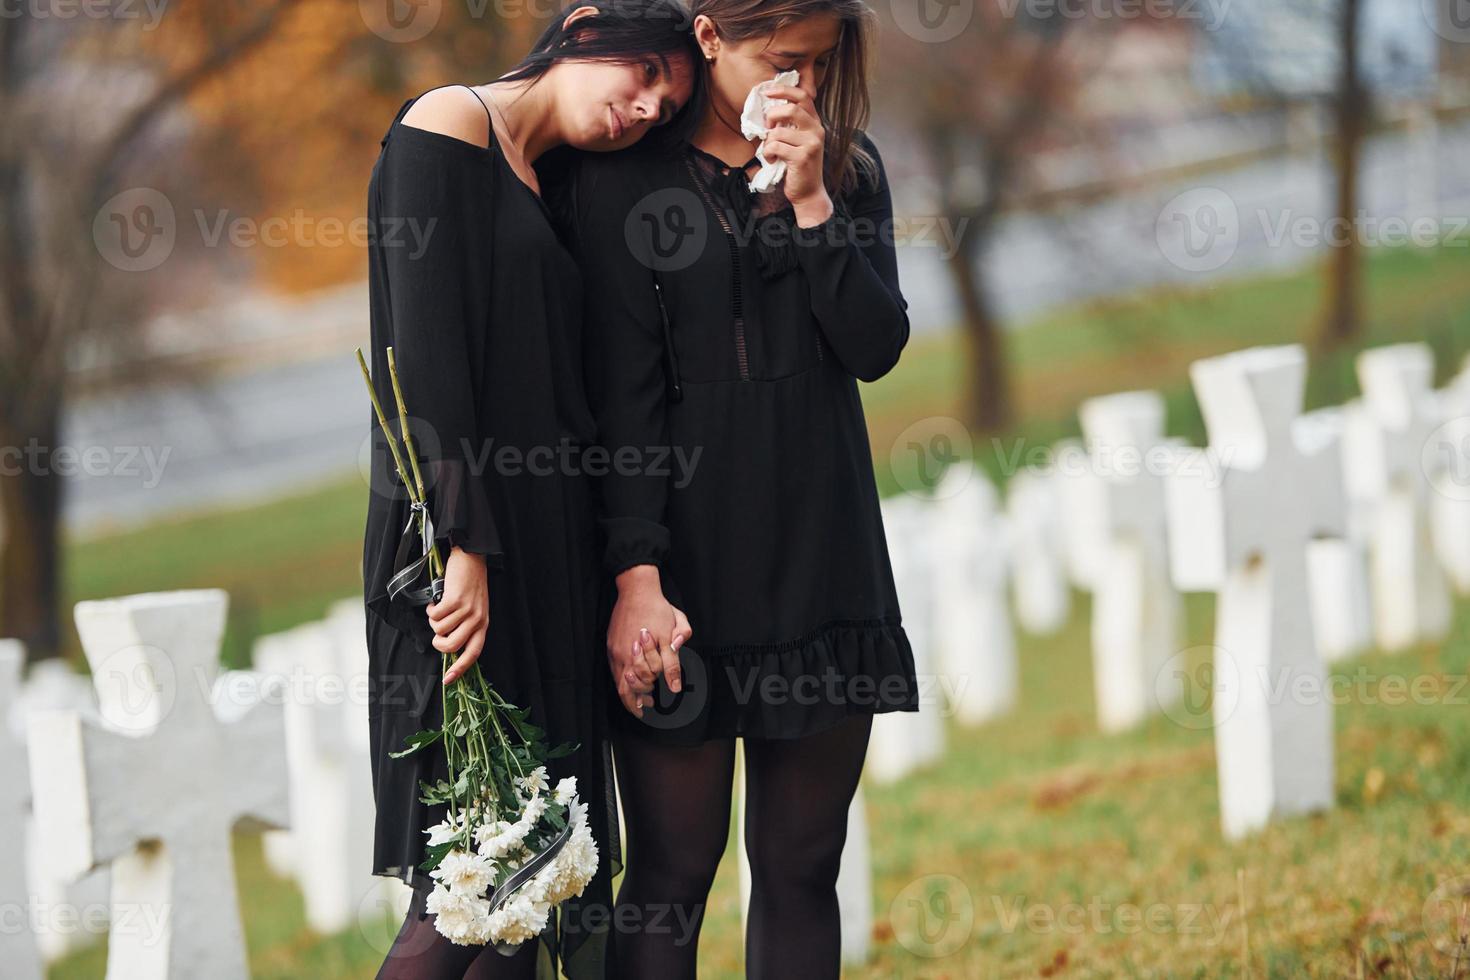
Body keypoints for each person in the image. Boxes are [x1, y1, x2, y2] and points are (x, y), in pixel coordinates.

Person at [567, 0, 919, 975]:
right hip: (683, 569)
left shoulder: (849, 168)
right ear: (709, 35)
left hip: (823, 551)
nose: (798, 85)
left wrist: (812, 201)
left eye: (816, 64)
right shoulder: (624, 180)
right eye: (782, 59)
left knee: (804, 864)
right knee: (674, 870)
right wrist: (636, 572)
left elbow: (876, 345)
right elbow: (622, 398)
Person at [360, 4, 699, 977]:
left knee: (532, 885)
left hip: (551, 546)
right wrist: (462, 542)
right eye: (640, 73)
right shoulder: (446, 125)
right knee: (470, 875)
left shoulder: (555, 179)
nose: (643, 106)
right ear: (582, 26)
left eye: (665, 102)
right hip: (460, 543)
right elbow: (422, 360)